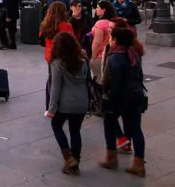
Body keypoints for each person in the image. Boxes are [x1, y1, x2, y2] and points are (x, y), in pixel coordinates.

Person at [101, 24, 148, 177]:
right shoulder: (134, 53)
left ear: (115, 40)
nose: (109, 40)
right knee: (136, 129)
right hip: (136, 95)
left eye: (111, 37)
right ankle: (139, 163)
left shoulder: (115, 57)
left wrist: (109, 98)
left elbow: (112, 81)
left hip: (120, 97)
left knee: (109, 122)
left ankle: (111, 158)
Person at [45, 31, 90, 175]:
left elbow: (55, 88)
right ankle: (75, 162)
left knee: (56, 126)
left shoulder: (57, 64)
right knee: (75, 130)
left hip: (65, 103)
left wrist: (51, 108)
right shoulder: (82, 61)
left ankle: (69, 158)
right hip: (82, 102)